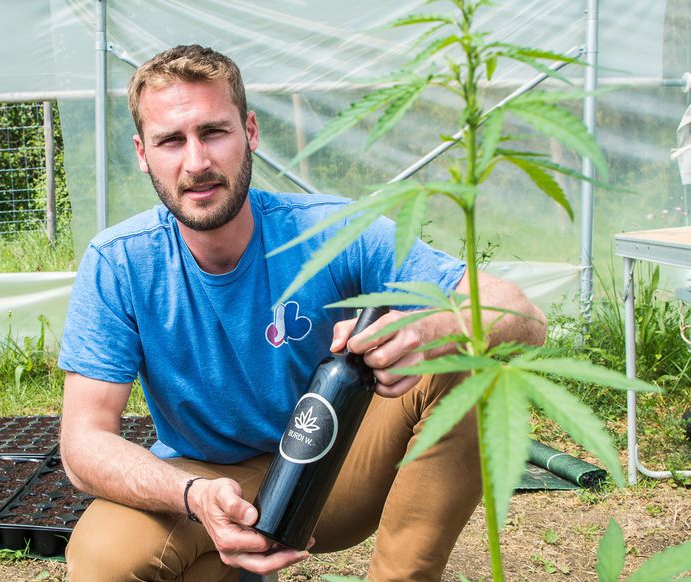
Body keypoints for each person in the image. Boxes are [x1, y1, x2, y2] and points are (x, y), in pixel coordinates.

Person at [58, 44, 546, 581]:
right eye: (171, 140)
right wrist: (191, 494)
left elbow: (522, 317)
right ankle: (237, 561)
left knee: (471, 353)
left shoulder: (334, 232)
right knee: (105, 558)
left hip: (332, 471)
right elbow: (83, 442)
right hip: (204, 484)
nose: (196, 162)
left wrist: (430, 327)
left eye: (213, 132)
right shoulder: (121, 261)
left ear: (251, 132)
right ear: (142, 152)